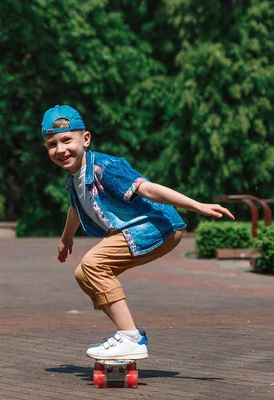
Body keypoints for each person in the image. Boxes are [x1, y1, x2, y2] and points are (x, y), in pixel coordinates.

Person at [41, 105, 234, 360]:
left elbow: (148, 189)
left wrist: (195, 205)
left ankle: (130, 336)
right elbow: (75, 209)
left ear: (85, 139)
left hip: (156, 225)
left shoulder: (106, 167)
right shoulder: (74, 178)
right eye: (52, 145)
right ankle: (130, 335)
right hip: (137, 230)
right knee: (83, 274)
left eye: (67, 140)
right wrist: (66, 240)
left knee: (93, 265)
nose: (61, 150)